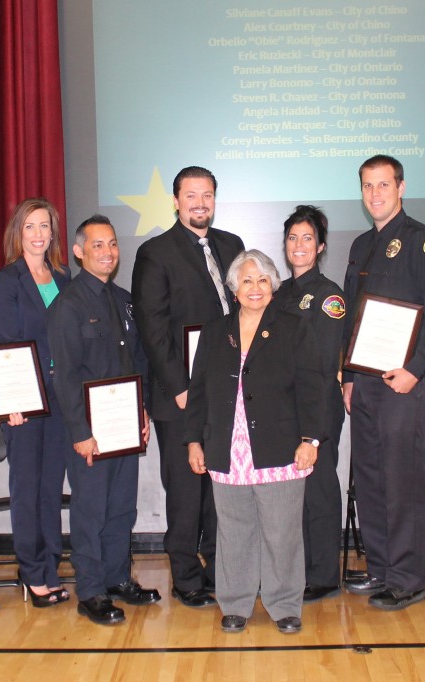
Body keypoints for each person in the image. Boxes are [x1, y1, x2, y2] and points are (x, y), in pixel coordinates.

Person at [185, 250, 324, 635]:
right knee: (233, 531)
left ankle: (284, 605)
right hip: (227, 449)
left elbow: (313, 388)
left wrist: (310, 439)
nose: (255, 288)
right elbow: (198, 392)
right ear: (233, 288)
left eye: (263, 280)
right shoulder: (215, 332)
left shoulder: (294, 327)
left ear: (273, 286)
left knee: (282, 532)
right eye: (247, 280)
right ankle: (235, 604)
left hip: (281, 447)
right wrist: (193, 441)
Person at [341, 154, 425, 610]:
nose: (375, 194)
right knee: (369, 478)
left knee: (402, 480)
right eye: (368, 186)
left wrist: (415, 368)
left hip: (405, 384)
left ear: (401, 187)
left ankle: (407, 579)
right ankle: (382, 570)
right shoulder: (360, 246)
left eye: (383, 185)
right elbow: (353, 316)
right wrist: (349, 376)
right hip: (366, 384)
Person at [132, 166, 244, 608]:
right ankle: (186, 577)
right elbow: (152, 327)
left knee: (221, 487)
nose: (200, 203)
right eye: (191, 195)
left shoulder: (231, 246)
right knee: (185, 489)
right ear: (176, 201)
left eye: (208, 195)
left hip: (225, 392)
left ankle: (219, 568)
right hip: (179, 396)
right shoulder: (155, 253)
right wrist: (180, 387)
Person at [47, 215, 160, 625]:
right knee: (91, 511)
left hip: (125, 427)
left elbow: (140, 363)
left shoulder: (125, 300)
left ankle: (117, 578)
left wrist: (143, 410)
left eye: (112, 244)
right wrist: (80, 432)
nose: (108, 252)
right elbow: (66, 375)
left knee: (121, 510)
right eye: (97, 245)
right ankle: (91, 590)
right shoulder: (67, 305)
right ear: (78, 252)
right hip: (90, 433)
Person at [0, 198, 72, 607]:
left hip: (61, 399)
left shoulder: (63, 275)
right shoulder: (7, 280)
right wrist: (12, 400)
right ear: (17, 233)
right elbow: (7, 342)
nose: (39, 234)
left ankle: (51, 566)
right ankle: (31, 570)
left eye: (45, 226)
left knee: (50, 488)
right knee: (27, 486)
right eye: (30, 227)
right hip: (23, 401)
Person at [276, 206, 346, 602]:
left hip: (316, 407)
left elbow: (321, 367)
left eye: (307, 238)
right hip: (283, 408)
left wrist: (314, 431)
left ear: (320, 246)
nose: (299, 246)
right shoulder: (279, 293)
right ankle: (296, 571)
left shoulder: (328, 296)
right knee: (290, 494)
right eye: (292, 238)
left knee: (317, 489)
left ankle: (322, 574)